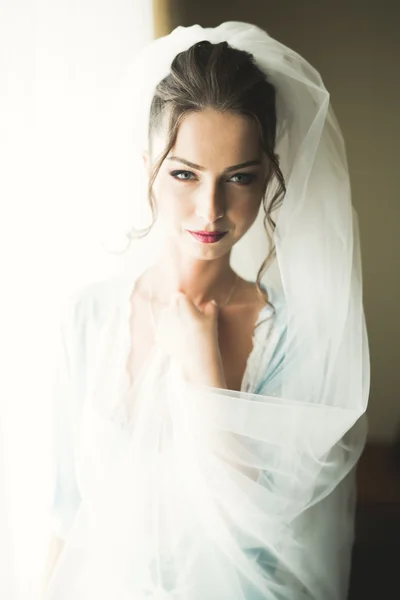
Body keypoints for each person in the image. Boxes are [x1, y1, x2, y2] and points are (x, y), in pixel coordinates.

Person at [40, 22, 370, 600]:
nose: (209, 209)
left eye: (238, 178)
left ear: (268, 175)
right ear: (149, 169)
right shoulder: (88, 318)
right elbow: (69, 515)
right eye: (185, 174)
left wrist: (201, 365)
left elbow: (262, 532)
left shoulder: (293, 335)